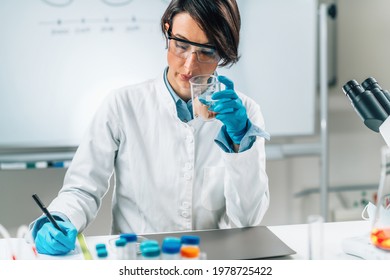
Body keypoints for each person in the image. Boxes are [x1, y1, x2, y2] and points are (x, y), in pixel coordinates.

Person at [30, 0, 270, 255]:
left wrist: (240, 138)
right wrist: (60, 218)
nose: (189, 67)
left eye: (207, 51)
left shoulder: (245, 112)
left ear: (223, 51)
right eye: (181, 45)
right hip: (136, 260)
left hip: (208, 262)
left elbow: (248, 221)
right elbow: (82, 189)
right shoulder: (123, 104)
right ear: (167, 31)